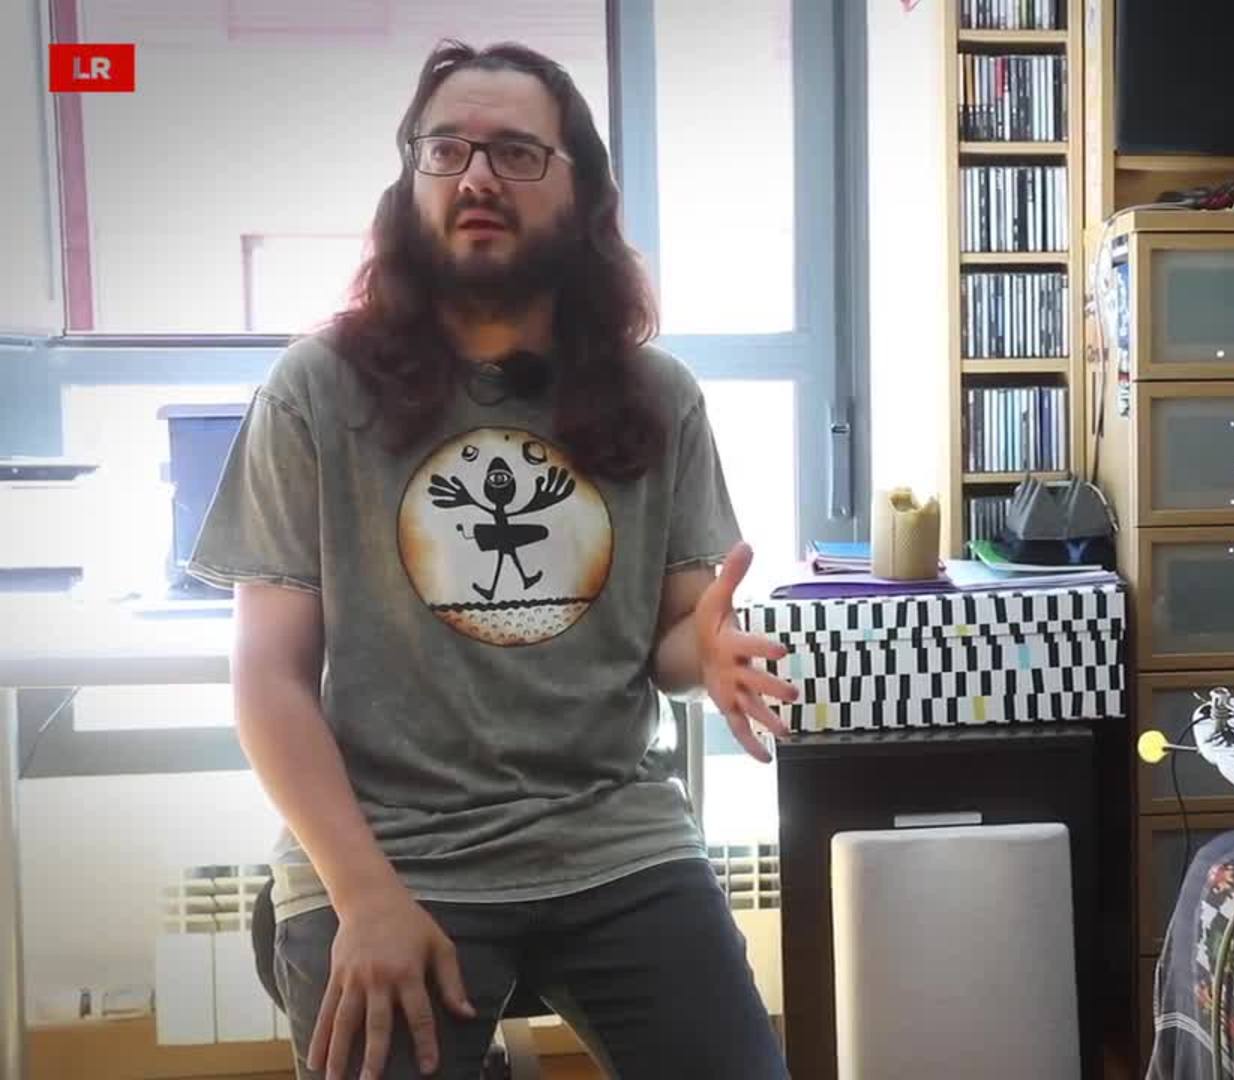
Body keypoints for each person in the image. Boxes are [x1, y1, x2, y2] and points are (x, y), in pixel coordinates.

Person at [188, 39, 796, 1080]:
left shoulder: (658, 397)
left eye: (517, 153)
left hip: (613, 836)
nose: (475, 176)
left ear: (584, 192)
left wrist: (708, 653)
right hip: (392, 851)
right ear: (411, 181)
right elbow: (269, 679)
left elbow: (675, 637)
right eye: (446, 150)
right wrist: (365, 898)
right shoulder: (315, 390)